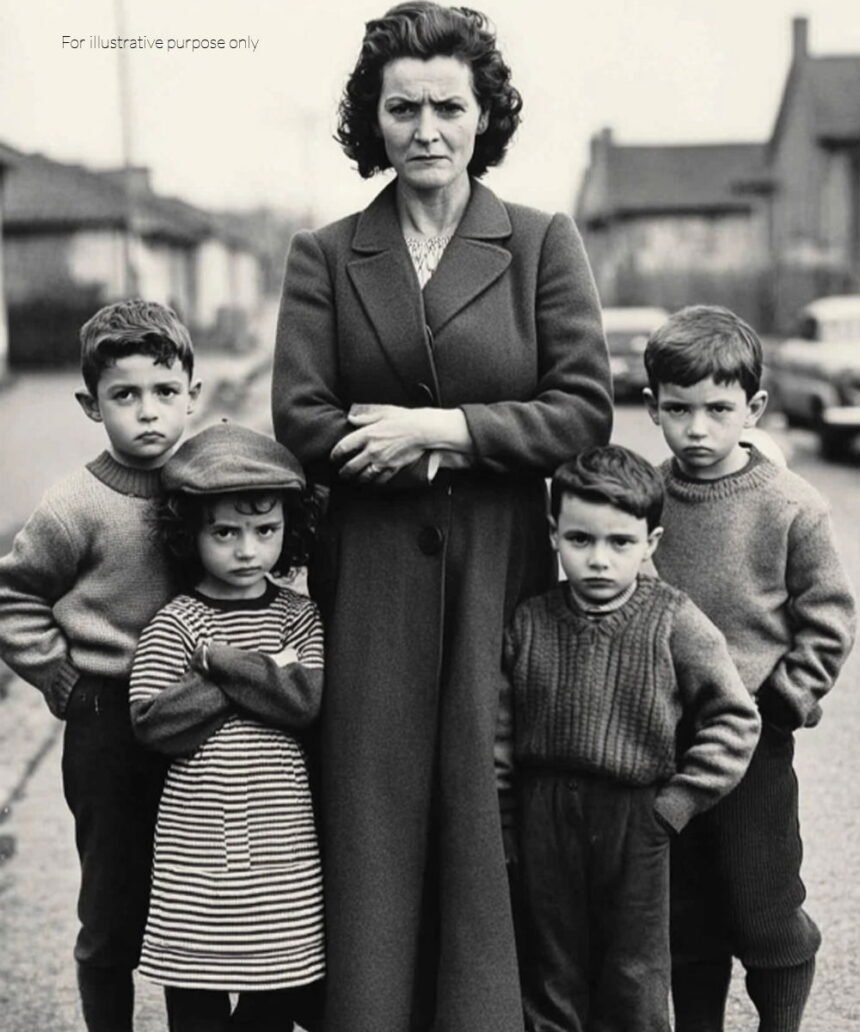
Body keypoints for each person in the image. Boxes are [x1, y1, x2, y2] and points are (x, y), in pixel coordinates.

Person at [271, 4, 613, 1029]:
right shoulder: (325, 254)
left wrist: (444, 431)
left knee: (484, 802)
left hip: (499, 571)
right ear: (371, 120)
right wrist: (402, 447)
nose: (426, 130)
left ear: (484, 115)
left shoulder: (542, 242)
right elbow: (301, 416)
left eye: (448, 107)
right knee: (371, 810)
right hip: (372, 578)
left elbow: (582, 407)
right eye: (403, 108)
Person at [643, 305, 857, 1032]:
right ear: (653, 408)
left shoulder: (791, 506)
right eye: (678, 410)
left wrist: (785, 700)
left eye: (718, 409)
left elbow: (830, 617)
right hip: (665, 735)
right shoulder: (649, 499)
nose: (697, 429)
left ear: (754, 408)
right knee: (685, 909)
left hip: (754, 737)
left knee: (762, 903)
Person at [499, 445, 759, 1032]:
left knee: (634, 972)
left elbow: (735, 716)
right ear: (553, 534)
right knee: (551, 964)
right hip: (543, 817)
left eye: (620, 542)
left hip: (636, 815)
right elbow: (499, 731)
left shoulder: (674, 619)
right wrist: (507, 816)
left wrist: (677, 804)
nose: (598, 559)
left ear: (651, 542)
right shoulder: (529, 621)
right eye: (580, 539)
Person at [0, 300, 201, 1032]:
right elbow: (15, 596)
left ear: (192, 395)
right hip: (107, 719)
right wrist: (58, 673)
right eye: (125, 395)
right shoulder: (74, 505)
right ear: (92, 406)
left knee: (194, 908)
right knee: (113, 905)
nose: (148, 412)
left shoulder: (207, 488)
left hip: (196, 717)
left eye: (165, 391)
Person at [128, 421, 326, 1032]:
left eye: (266, 530)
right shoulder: (176, 621)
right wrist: (260, 676)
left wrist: (218, 662)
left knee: (276, 988)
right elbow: (155, 721)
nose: (248, 551)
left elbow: (302, 700)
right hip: (196, 846)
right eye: (225, 532)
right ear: (190, 533)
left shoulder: (297, 617)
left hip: (279, 846)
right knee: (195, 992)